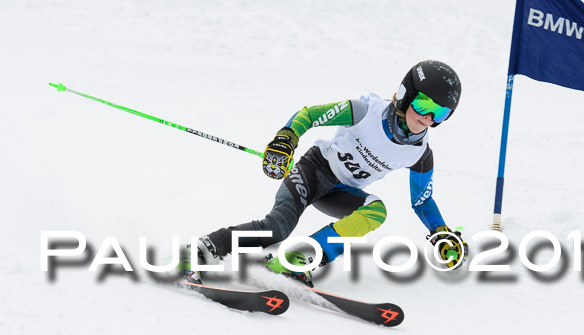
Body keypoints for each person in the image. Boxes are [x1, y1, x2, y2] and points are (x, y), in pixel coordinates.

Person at [183, 60, 468, 286]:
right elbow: (308, 115)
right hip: (313, 170)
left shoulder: (419, 154)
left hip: (340, 193)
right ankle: (203, 251)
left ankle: (293, 261)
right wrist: (287, 139)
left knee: (376, 211)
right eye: (424, 105)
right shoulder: (365, 112)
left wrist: (440, 232)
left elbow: (422, 201)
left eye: (440, 113)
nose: (427, 118)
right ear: (406, 95)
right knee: (277, 228)